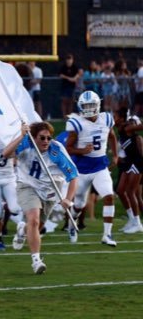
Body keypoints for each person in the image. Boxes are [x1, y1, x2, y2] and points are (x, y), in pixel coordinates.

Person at [2, 121, 77, 274]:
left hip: (49, 190)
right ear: (34, 138)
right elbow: (6, 154)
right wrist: (21, 135)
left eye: (48, 138)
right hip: (27, 185)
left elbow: (73, 176)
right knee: (34, 220)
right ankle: (36, 261)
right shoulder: (26, 143)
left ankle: (23, 229)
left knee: (38, 225)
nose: (46, 141)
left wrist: (68, 199)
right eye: (42, 138)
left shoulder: (56, 150)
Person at [65, 90, 118, 246]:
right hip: (82, 168)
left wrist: (115, 155)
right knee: (79, 204)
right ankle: (71, 224)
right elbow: (67, 148)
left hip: (100, 166)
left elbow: (112, 136)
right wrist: (81, 150)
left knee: (109, 195)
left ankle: (107, 235)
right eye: (85, 106)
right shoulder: (76, 123)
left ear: (98, 105)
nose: (88, 109)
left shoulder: (106, 119)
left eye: (91, 105)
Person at [114, 108, 143, 233]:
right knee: (120, 190)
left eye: (115, 116)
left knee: (131, 192)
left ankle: (137, 223)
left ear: (121, 118)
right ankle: (131, 219)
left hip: (137, 163)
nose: (114, 118)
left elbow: (139, 128)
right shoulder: (120, 128)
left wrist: (132, 123)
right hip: (128, 162)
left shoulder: (127, 128)